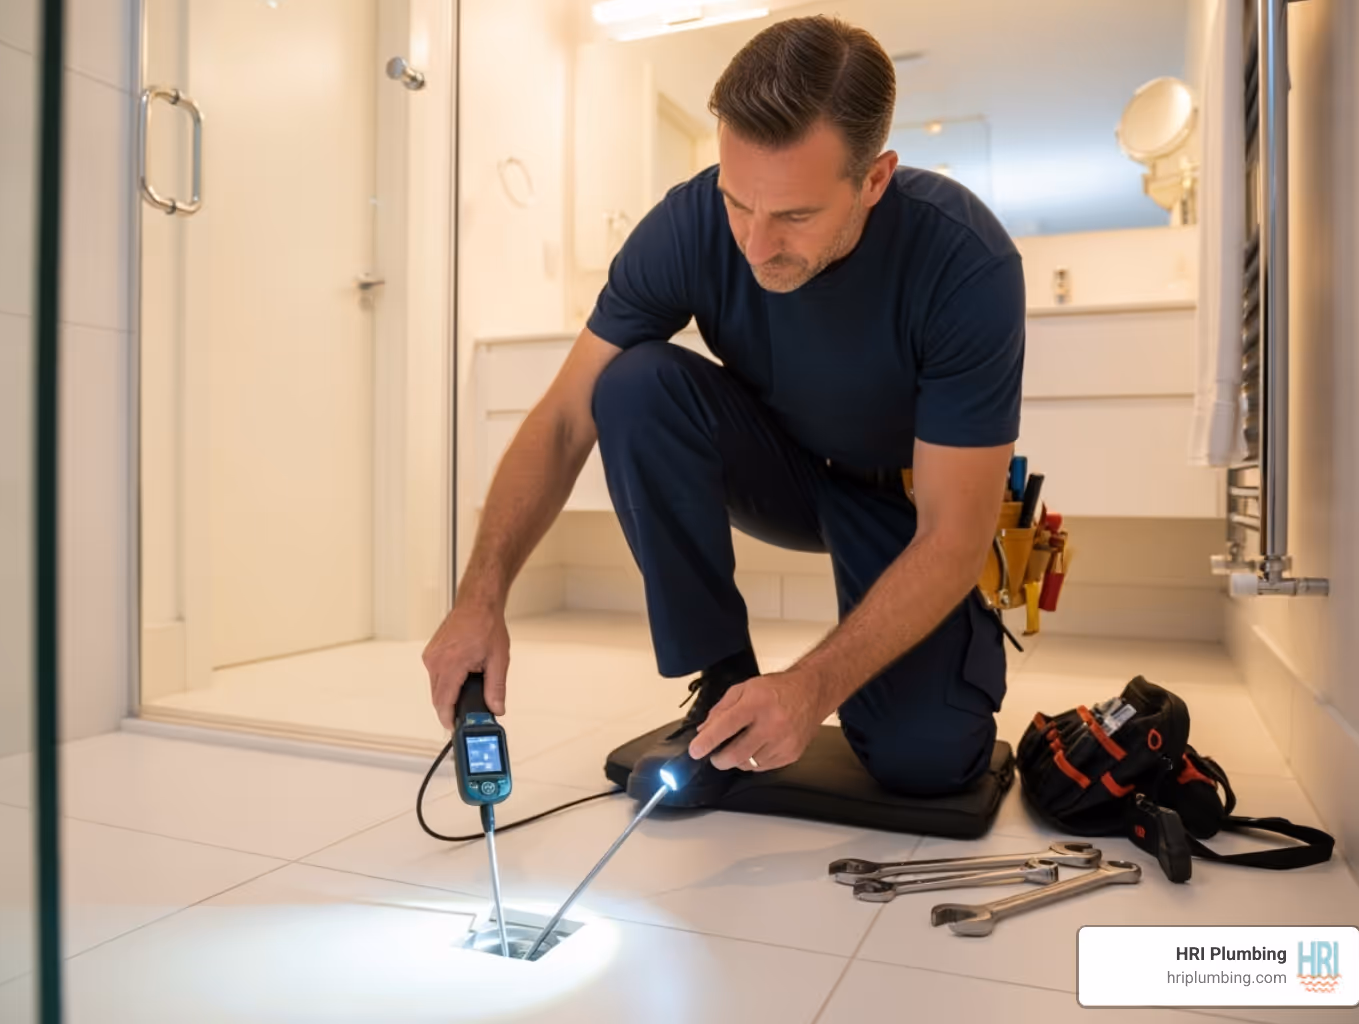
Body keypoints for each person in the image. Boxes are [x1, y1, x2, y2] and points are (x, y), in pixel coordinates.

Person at [423, 14, 1024, 807]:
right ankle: (724, 689)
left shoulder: (965, 264)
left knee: (927, 763)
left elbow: (954, 534)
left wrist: (810, 687)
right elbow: (567, 418)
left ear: (875, 180)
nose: (755, 244)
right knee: (630, 384)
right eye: (739, 202)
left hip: (905, 506)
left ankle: (903, 692)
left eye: (796, 216)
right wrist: (480, 596)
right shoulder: (688, 225)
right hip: (782, 470)